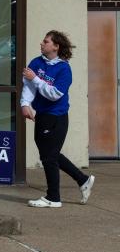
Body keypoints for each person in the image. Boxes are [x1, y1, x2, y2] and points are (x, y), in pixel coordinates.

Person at [20, 30, 94, 207]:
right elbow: (28, 86)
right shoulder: (36, 62)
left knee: (48, 157)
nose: (41, 44)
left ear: (55, 46)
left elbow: (54, 94)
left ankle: (53, 198)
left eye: (45, 42)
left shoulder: (63, 69)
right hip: (42, 115)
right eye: (43, 41)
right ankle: (82, 180)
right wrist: (25, 104)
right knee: (50, 154)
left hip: (57, 117)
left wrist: (36, 79)